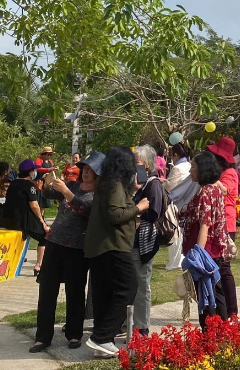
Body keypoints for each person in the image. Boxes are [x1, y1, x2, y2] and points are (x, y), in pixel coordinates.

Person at [30, 151, 104, 353]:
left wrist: (66, 192)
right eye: (84, 169)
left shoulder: (99, 194)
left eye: (90, 170)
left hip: (77, 248)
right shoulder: (72, 185)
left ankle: (74, 333)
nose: (86, 173)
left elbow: (84, 208)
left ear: (98, 173)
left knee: (75, 292)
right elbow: (49, 193)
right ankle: (43, 337)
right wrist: (48, 182)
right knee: (47, 290)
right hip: (54, 242)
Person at [84, 147, 142, 357]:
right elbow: (116, 214)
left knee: (104, 294)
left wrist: (132, 192)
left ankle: (103, 342)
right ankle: (101, 336)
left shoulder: (105, 184)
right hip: (114, 246)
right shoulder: (116, 185)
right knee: (128, 287)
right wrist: (139, 207)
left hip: (97, 247)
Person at [181, 151, 231, 329]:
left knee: (206, 296)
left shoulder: (205, 192)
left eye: (193, 167)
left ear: (202, 169)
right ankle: (223, 332)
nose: (190, 171)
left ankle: (210, 335)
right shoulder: (215, 188)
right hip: (215, 249)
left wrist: (197, 256)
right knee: (217, 294)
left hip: (206, 252)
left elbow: (205, 224)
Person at [131, 145, 164, 338]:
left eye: (137, 163)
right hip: (130, 241)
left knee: (142, 285)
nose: (134, 167)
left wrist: (137, 211)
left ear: (148, 165)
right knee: (130, 285)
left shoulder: (153, 184)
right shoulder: (136, 184)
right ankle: (128, 323)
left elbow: (154, 213)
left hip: (143, 243)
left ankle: (141, 326)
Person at [207, 137, 239, 318]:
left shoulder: (229, 173)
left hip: (226, 224)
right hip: (217, 224)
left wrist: (209, 176)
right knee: (218, 267)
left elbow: (224, 190)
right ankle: (222, 309)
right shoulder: (221, 173)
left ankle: (232, 311)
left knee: (224, 268)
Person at [3, 160, 49, 276]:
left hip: (10, 219)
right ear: (30, 172)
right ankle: (39, 265)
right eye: (34, 170)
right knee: (45, 237)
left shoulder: (13, 184)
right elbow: (34, 205)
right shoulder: (29, 186)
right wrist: (42, 221)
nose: (35, 172)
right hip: (24, 220)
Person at [164, 142, 200, 270]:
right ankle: (180, 259)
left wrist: (162, 183)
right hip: (187, 201)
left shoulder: (177, 168)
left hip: (177, 203)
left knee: (175, 231)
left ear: (175, 155)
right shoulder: (189, 165)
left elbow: (170, 187)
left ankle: (175, 262)